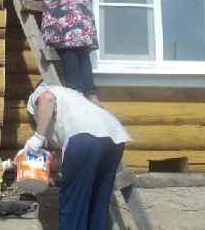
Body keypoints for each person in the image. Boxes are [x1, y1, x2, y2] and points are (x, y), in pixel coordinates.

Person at [22, 83, 130, 230]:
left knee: (73, 204)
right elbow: (65, 159)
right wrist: (44, 169)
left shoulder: (42, 94)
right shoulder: (73, 99)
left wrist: (37, 137)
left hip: (85, 139)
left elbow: (47, 98)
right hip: (114, 139)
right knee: (98, 202)